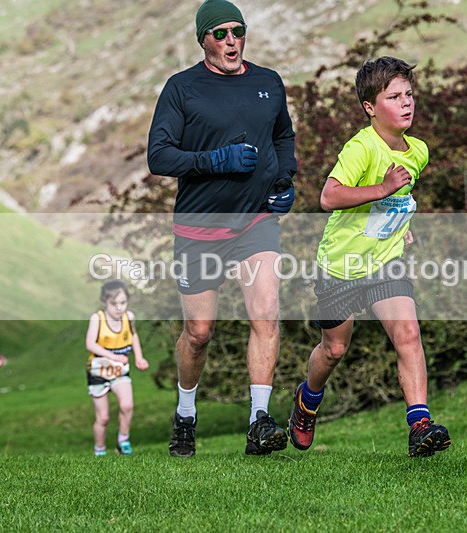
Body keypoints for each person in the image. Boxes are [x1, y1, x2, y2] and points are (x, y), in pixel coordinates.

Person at [147, 0, 297, 457]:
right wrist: (214, 161)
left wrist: (285, 180)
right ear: (203, 39)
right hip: (200, 228)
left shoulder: (268, 82)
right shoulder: (182, 88)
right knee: (199, 331)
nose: (231, 40)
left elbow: (282, 137)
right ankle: (186, 414)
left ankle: (258, 423)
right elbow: (159, 156)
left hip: (256, 222)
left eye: (238, 31)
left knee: (266, 315)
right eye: (221, 33)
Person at [287, 57, 451, 457]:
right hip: (341, 265)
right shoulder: (361, 147)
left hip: (385, 262)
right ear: (370, 107)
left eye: (409, 94)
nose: (406, 103)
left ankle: (420, 425)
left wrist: (399, 220)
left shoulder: (419, 152)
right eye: (394, 97)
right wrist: (381, 189)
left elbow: (398, 197)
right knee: (334, 351)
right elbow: (329, 196)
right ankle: (307, 403)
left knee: (408, 335)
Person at [85, 280, 149, 456]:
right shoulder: (97, 319)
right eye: (114, 304)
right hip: (98, 371)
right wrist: (113, 356)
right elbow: (90, 344)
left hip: (120, 371)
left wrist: (139, 357)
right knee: (103, 417)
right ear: (104, 302)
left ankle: (123, 441)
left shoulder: (129, 317)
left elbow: (133, 336)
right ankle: (99, 450)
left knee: (127, 405)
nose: (119, 308)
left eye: (123, 303)